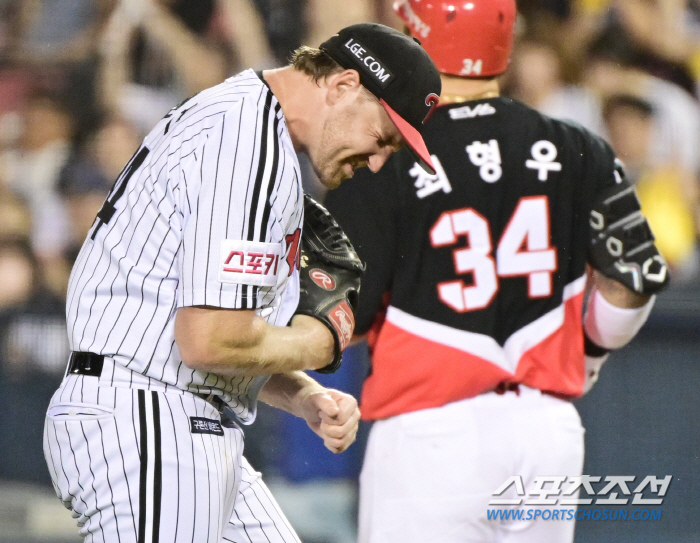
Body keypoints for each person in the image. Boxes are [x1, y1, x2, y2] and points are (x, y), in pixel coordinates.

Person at [42, 22, 441, 543]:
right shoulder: (247, 142)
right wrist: (317, 343)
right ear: (342, 86)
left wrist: (299, 394)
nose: (378, 160)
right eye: (383, 137)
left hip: (176, 413)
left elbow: (204, 327)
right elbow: (209, 339)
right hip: (148, 423)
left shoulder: (249, 122)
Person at [323, 2, 670, 542]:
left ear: (418, 39)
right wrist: (593, 351)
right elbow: (633, 280)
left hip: (431, 431)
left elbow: (347, 314)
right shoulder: (579, 145)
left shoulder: (384, 153)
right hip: (545, 432)